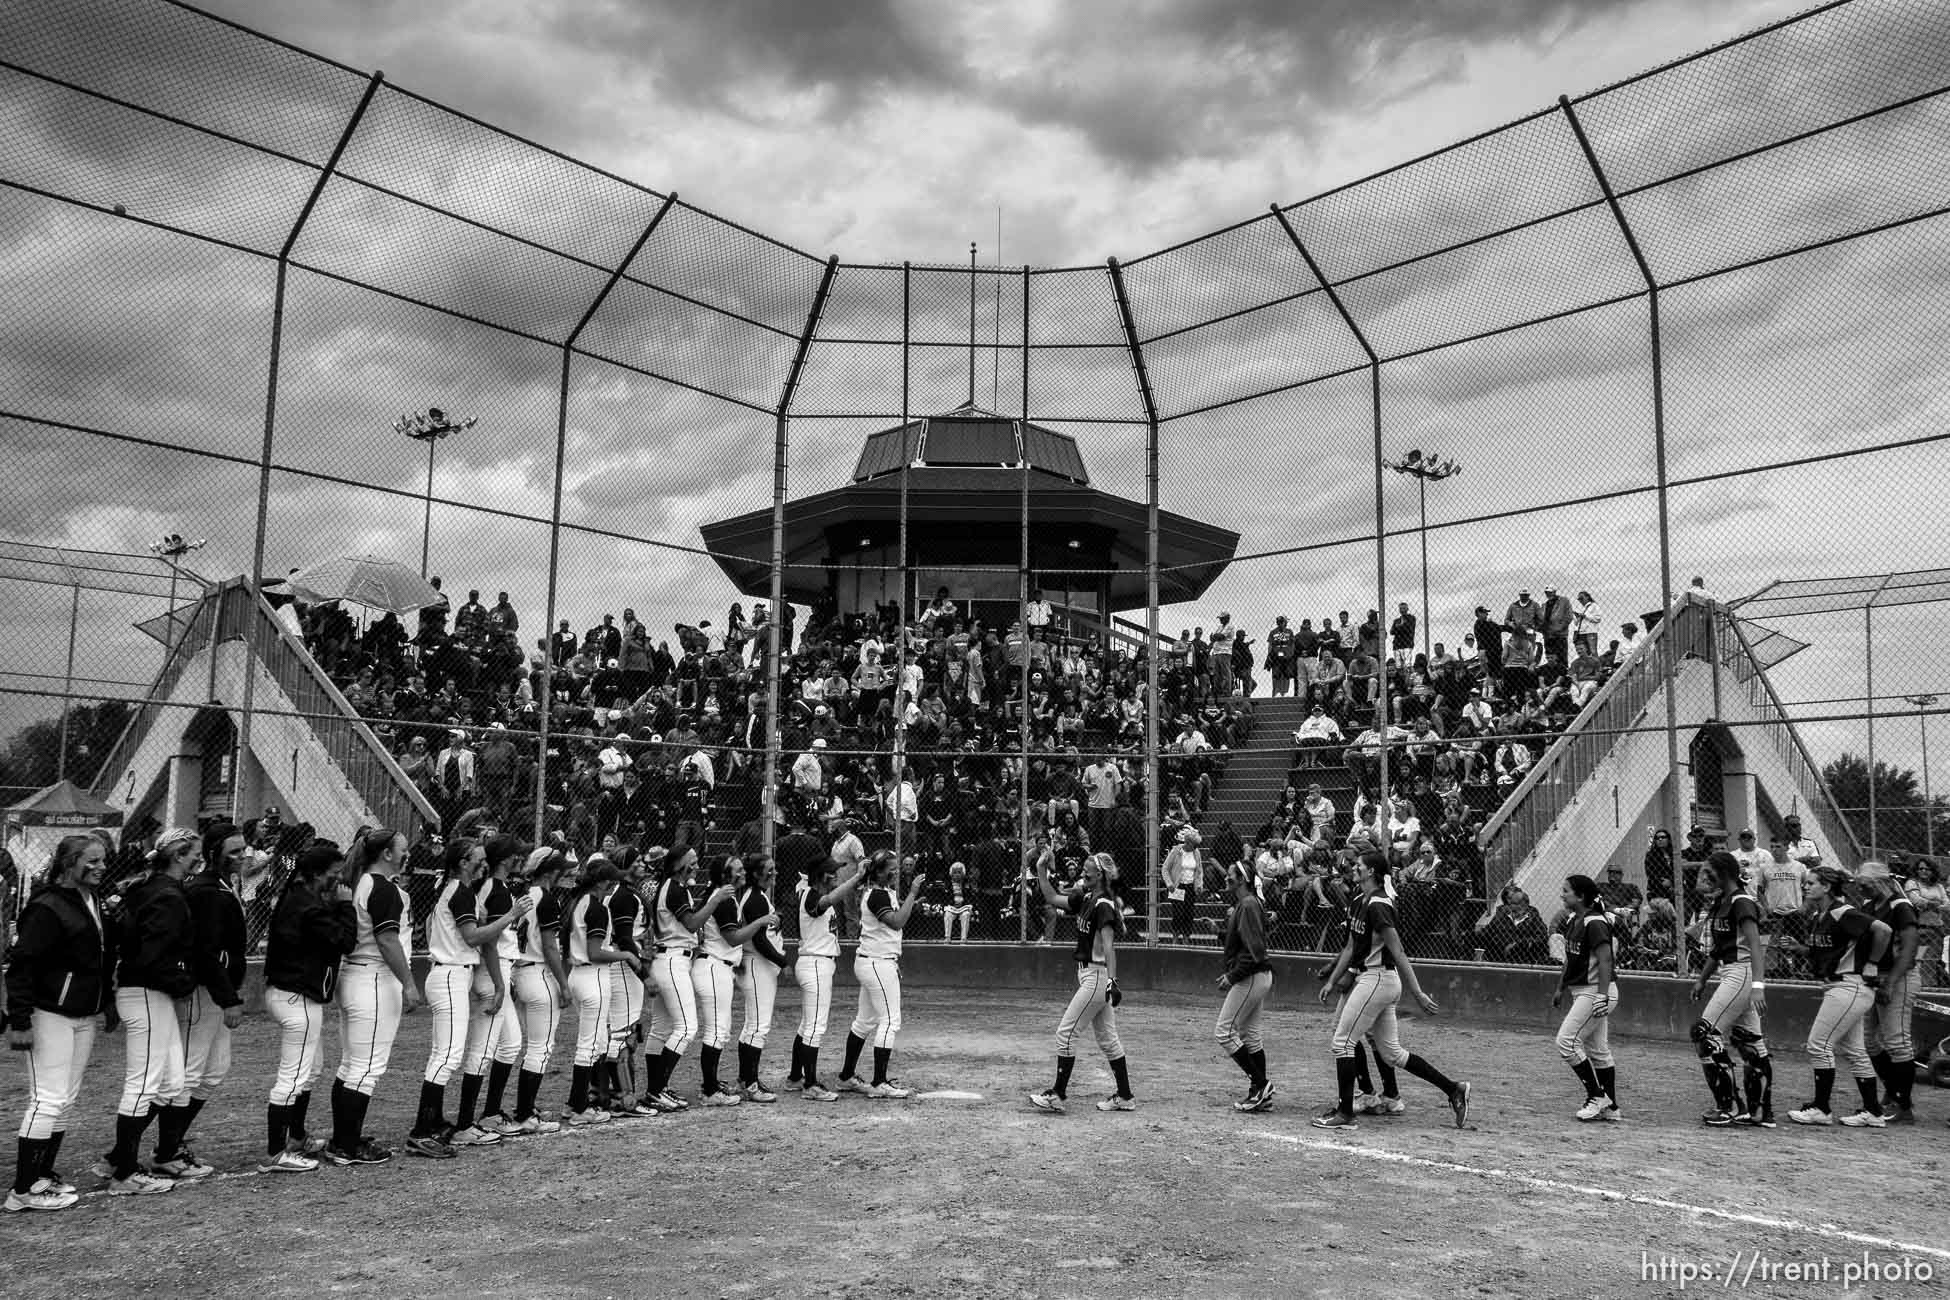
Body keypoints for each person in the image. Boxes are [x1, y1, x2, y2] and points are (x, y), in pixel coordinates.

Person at [1313, 853, 1471, 1130]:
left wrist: (1418, 993)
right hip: (1371, 979)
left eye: (1359, 865)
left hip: (1377, 979)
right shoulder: (1358, 901)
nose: (1354, 868)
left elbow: (1398, 952)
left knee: (1342, 1043)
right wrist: (1332, 979)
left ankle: (1345, 1113)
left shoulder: (1379, 904)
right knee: (1392, 1054)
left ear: (1371, 871)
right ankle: (1454, 1089)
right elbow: (1351, 947)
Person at [5, 835, 111, 1212]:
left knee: (64, 1100)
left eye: (103, 860)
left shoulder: (91, 898)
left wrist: (106, 1004)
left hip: (82, 1014)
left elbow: (97, 958)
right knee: (47, 1099)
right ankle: (22, 1191)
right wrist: (20, 1020)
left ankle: (40, 1176)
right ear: (69, 863)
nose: (101, 867)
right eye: (92, 861)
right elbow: (22, 965)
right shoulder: (48, 906)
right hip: (49, 1013)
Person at [104, 826, 200, 1194]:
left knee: (173, 1082)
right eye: (193, 853)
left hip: (149, 991)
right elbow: (152, 954)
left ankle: (117, 1159)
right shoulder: (165, 894)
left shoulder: (158, 888)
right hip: (145, 990)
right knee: (143, 1083)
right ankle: (124, 1174)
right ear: (178, 856)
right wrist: (181, 981)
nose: (197, 859)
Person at [261, 840, 358, 1172]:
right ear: (317, 874)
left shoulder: (302, 897)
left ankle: (296, 1137)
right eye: (334, 874)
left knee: (311, 1068)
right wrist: (346, 906)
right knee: (293, 1075)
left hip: (291, 993)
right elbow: (345, 941)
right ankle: (276, 1152)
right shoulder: (308, 904)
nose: (339, 880)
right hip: (296, 996)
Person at [160, 823, 250, 1179]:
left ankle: (171, 1142)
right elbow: (207, 952)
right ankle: (166, 1151)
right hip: (205, 991)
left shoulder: (222, 886)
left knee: (214, 1071)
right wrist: (228, 998)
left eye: (243, 849)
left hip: (218, 990)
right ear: (213, 853)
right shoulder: (208, 890)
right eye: (233, 851)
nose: (242, 856)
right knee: (190, 1070)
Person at [330, 826, 423, 1168]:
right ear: (386, 854)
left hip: (355, 975)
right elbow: (387, 941)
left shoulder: (361, 882)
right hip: (372, 978)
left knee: (351, 1063)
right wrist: (409, 984)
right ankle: (347, 1145)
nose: (406, 854)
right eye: (402, 849)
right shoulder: (383, 888)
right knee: (367, 1067)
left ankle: (344, 1138)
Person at [1028, 853, 1136, 1114]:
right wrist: (1041, 869)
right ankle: (1125, 1096)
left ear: (1100, 876)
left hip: (1097, 977)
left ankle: (1058, 1094)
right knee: (1109, 1040)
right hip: (1090, 976)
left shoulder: (1104, 905)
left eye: (1088, 872)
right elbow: (1052, 898)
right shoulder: (1087, 898)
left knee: (1065, 1033)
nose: (1083, 875)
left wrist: (1112, 981)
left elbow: (1109, 947)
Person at [1788, 867, 1892, 1128]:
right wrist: (1799, 949)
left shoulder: (1841, 912)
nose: (1806, 887)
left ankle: (1821, 1109)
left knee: (1818, 1045)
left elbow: (1884, 931)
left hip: (1849, 986)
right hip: (1841, 988)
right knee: (1855, 1051)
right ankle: (1874, 1112)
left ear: (1826, 887)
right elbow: (1826, 952)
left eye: (1812, 883)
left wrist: (1872, 963)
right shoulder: (1821, 915)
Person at [453, 836, 537, 1141]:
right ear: (505, 860)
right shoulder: (497, 891)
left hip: (498, 968)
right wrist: (501, 984)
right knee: (483, 1049)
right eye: (517, 856)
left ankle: (490, 1114)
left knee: (511, 1044)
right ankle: (465, 1123)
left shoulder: (497, 888)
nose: (521, 861)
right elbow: (489, 939)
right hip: (493, 971)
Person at [642, 848, 731, 1111]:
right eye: (690, 860)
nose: (695, 864)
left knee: (661, 1028)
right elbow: (691, 924)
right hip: (672, 961)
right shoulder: (674, 887)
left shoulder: (674, 886)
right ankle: (656, 1090)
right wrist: (715, 900)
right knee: (686, 1028)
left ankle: (655, 1089)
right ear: (679, 863)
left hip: (670, 959)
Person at [1689, 850, 1771, 1127]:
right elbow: (1719, 948)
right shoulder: (1722, 902)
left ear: (1723, 874)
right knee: (1750, 1040)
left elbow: (1756, 946)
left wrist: (1758, 986)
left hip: (1743, 972)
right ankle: (1760, 1111)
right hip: (1731, 970)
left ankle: (1729, 1106)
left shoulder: (1741, 902)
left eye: (1710, 873)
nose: (1705, 878)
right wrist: (1702, 978)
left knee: (1706, 1034)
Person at [836, 850, 925, 1098]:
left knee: (864, 1022)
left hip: (876, 961)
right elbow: (897, 922)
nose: (895, 872)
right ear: (877, 872)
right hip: (877, 963)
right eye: (891, 868)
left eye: (897, 867)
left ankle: (846, 1076)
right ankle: (879, 1083)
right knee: (890, 1021)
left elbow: (891, 930)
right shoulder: (876, 894)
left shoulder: (883, 892)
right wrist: (913, 893)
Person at [784, 856, 864, 1102]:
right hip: (815, 964)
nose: (836, 876)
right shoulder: (810, 895)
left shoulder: (811, 893)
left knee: (807, 1025)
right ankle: (810, 1085)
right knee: (815, 1028)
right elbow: (830, 899)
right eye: (833, 873)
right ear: (822, 876)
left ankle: (795, 1077)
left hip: (818, 963)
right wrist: (857, 877)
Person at [508, 850, 574, 1133]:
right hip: (538, 973)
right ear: (549, 873)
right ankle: (525, 1114)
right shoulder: (546, 900)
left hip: (521, 971)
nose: (565, 874)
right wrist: (563, 983)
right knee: (540, 1047)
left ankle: (526, 1108)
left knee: (533, 1046)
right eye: (561, 870)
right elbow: (549, 947)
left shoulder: (524, 895)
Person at [562, 859, 629, 1126]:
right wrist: (626, 955)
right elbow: (595, 953)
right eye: (612, 880)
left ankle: (575, 1103)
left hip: (581, 975)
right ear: (603, 882)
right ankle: (579, 1109)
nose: (615, 885)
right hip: (592, 976)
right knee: (589, 1045)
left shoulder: (579, 901)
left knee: (597, 1042)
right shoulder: (596, 907)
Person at [1550, 874, 1620, 1123]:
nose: (1563, 895)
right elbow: (1570, 959)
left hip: (1596, 991)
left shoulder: (1595, 922)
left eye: (1567, 891)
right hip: (1583, 990)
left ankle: (1596, 1095)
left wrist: (1601, 995)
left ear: (1580, 896)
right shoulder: (1574, 919)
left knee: (1566, 1043)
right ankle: (1611, 1107)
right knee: (1598, 1051)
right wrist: (1560, 987)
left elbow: (1605, 960)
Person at [1858, 860, 1921, 1124]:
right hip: (1875, 975)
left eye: (1866, 884)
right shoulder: (1869, 906)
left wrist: (1891, 982)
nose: (1861, 889)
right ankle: (1893, 1091)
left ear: (1881, 882)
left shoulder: (1900, 906)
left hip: (1899, 975)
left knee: (1897, 1040)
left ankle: (1903, 1105)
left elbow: (1909, 949)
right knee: (1868, 1040)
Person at [1215, 862, 1275, 1112]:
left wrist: (1232, 976)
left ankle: (1261, 1084)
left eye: (1231, 875)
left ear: (1242, 879)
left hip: (1251, 976)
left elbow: (1254, 952)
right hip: (1256, 975)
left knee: (1224, 1031)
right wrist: (1219, 933)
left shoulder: (1248, 904)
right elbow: (1244, 942)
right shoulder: (1246, 903)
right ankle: (1260, 1095)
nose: (1226, 878)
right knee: (1250, 1036)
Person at [733, 856, 792, 1102]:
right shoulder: (755, 897)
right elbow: (759, 940)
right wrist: (783, 962)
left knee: (751, 1026)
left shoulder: (756, 895)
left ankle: (745, 1080)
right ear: (757, 874)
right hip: (758, 965)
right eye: (769, 870)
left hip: (756, 965)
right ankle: (751, 1083)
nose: (774, 873)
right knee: (758, 1027)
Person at [1162, 828, 1201, 943]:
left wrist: (1199, 884)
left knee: (1189, 913)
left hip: (1190, 886)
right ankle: (1175, 937)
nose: (1195, 847)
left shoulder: (1196, 852)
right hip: (1177, 887)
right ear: (1188, 842)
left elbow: (1199, 870)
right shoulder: (1176, 851)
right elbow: (1165, 868)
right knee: (1178, 913)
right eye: (1194, 845)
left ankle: (1185, 937)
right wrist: (1169, 883)